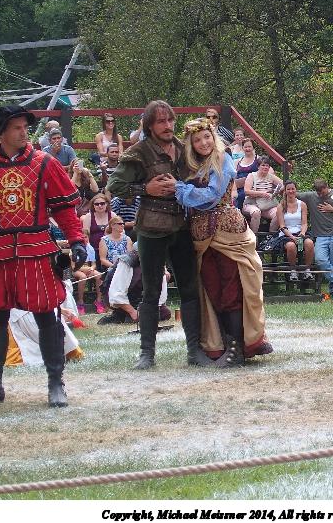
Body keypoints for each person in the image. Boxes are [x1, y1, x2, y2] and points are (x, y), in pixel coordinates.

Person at [0, 104, 88, 407]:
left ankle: (56, 384)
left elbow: (64, 208)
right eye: (17, 128)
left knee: (46, 314)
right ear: (2, 132)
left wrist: (77, 239)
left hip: (36, 248)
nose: (24, 132)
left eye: (25, 127)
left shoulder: (44, 163)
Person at [107, 100, 215, 369]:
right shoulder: (138, 152)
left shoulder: (183, 148)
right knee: (151, 291)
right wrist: (145, 189)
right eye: (161, 121)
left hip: (182, 227)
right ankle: (147, 354)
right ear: (149, 126)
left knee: (190, 288)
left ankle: (194, 351)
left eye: (170, 120)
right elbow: (114, 185)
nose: (167, 126)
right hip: (151, 228)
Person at [174, 118, 271, 365]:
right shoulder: (188, 165)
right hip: (201, 237)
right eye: (197, 140)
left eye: (207, 137)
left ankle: (238, 347)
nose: (203, 143)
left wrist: (181, 191)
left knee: (232, 288)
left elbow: (213, 195)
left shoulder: (223, 158)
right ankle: (226, 344)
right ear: (191, 144)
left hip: (228, 233)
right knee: (212, 289)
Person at [298, 178, 333, 296]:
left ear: (327, 186)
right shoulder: (311, 196)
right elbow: (293, 193)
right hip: (321, 235)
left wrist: (332, 209)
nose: (320, 195)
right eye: (318, 193)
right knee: (320, 259)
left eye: (322, 192)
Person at [103, 250, 172, 325]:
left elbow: (159, 295)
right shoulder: (127, 262)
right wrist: (133, 312)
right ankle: (121, 313)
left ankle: (130, 313)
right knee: (139, 317)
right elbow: (116, 293)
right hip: (121, 297)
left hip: (140, 299)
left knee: (164, 313)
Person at [270, 181, 316, 282]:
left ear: (296, 190)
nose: (291, 191)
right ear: (285, 191)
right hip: (286, 234)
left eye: (293, 189)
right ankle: (293, 270)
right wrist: (291, 237)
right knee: (291, 246)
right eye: (288, 189)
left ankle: (307, 270)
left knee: (309, 243)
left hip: (300, 232)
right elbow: (282, 226)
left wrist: (302, 234)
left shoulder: (302, 204)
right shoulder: (281, 206)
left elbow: (304, 223)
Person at [242, 156, 283, 234]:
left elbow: (283, 184)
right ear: (258, 166)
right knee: (256, 212)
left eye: (267, 165)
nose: (265, 167)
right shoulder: (252, 176)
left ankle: (271, 235)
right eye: (263, 165)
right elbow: (246, 191)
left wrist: (274, 191)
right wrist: (262, 193)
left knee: (279, 212)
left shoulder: (271, 176)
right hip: (252, 203)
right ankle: (254, 236)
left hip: (267, 205)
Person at [232, 139, 259, 212]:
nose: (247, 149)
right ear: (243, 148)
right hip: (238, 187)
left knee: (242, 195)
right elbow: (233, 175)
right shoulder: (239, 161)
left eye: (249, 147)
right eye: (245, 147)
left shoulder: (258, 159)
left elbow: (268, 172)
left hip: (252, 188)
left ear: (253, 147)